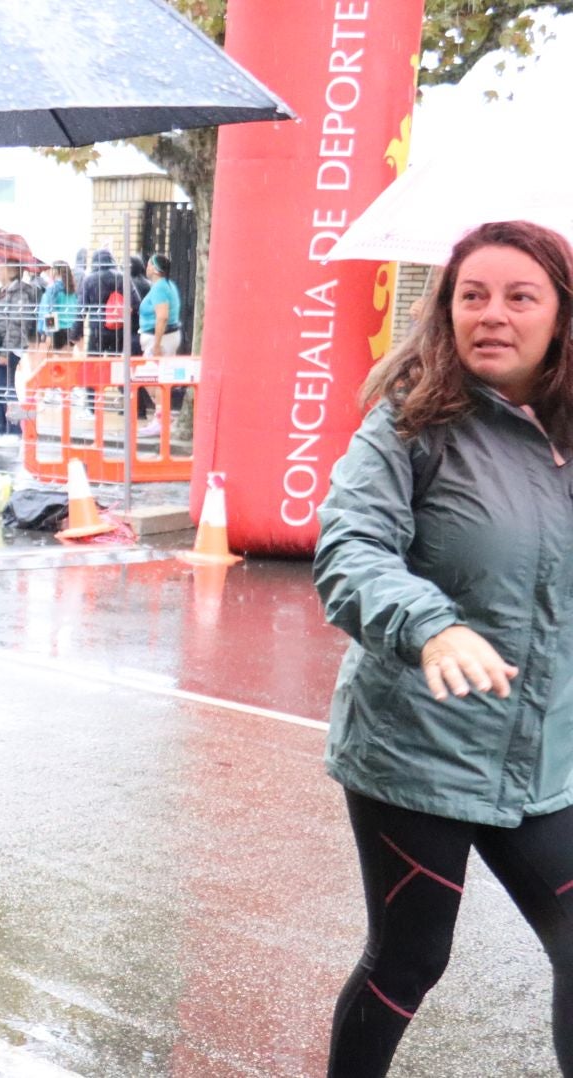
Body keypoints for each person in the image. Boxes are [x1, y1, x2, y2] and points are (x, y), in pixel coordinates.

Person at [314, 220, 573, 1078]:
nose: (492, 314)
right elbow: (350, 550)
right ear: (447, 309)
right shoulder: (409, 425)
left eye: (519, 296)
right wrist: (434, 624)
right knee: (411, 958)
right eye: (473, 295)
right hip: (416, 748)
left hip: (545, 755)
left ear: (561, 315)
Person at [0, 263, 43, 443]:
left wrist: (4, 352)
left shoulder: (19, 294)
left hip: (8, 348)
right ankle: (1, 429)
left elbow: (16, 325)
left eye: (0, 268)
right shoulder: (3, 292)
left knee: (8, 389)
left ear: (11, 271)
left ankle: (14, 431)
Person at [138, 253, 183, 433]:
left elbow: (162, 316)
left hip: (160, 339)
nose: (146, 268)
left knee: (150, 376)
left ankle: (160, 417)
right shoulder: (167, 286)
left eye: (149, 265)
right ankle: (163, 415)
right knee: (155, 375)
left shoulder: (159, 289)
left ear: (155, 269)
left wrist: (156, 344)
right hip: (166, 337)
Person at [72, 249, 128, 356]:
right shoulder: (122, 277)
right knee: (114, 364)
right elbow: (135, 302)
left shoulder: (89, 279)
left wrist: (75, 332)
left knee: (94, 364)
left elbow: (81, 309)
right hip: (117, 327)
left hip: (97, 329)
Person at [40, 260, 78, 352]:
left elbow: (51, 311)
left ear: (56, 271)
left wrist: (48, 334)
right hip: (72, 328)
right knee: (69, 359)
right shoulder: (72, 288)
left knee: (58, 361)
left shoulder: (53, 288)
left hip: (58, 329)